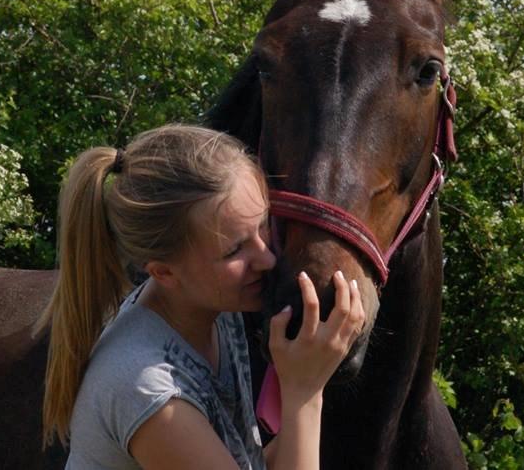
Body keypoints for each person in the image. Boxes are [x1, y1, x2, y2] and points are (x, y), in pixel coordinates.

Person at [38, 124, 365, 470]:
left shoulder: (216, 312)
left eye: (263, 225)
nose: (267, 258)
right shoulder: (148, 391)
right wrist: (305, 393)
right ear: (164, 272)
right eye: (235, 250)